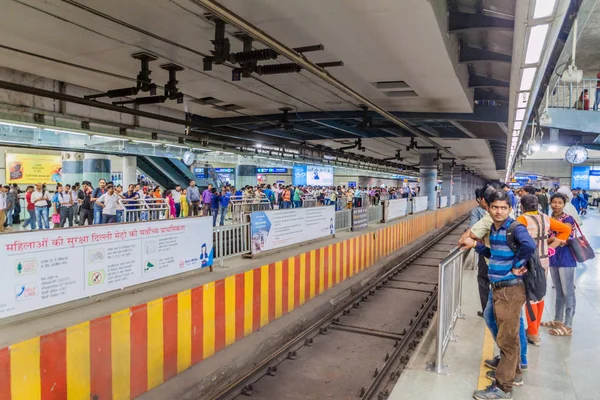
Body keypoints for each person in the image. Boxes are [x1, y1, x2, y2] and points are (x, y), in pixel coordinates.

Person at [465, 190, 536, 400]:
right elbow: (493, 254)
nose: (499, 211)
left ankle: (503, 388)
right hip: (498, 288)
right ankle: (512, 371)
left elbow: (529, 246)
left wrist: (517, 266)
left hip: (510, 289)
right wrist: (478, 246)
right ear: (488, 208)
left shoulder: (514, 228)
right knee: (497, 325)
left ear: (510, 209)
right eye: (495, 207)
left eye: (503, 208)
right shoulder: (495, 230)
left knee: (508, 339)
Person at [517, 195, 571, 346]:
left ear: (522, 207)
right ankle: (534, 330)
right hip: (544, 261)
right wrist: (551, 246)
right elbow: (566, 229)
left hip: (529, 262)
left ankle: (533, 332)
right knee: (539, 294)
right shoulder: (546, 218)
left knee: (530, 296)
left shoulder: (522, 220)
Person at [541, 193, 578, 336]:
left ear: (564, 204)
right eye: (554, 202)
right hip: (554, 257)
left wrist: (552, 240)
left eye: (559, 203)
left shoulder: (568, 219)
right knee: (558, 290)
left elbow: (565, 236)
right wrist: (553, 239)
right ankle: (558, 320)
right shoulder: (550, 219)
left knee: (568, 291)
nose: (556, 205)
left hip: (566, 258)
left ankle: (568, 325)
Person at [470, 188, 489, 317]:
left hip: (485, 250)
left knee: (483, 280)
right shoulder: (505, 211)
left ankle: (487, 311)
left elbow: (473, 231)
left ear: (481, 199)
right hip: (503, 253)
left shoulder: (477, 211)